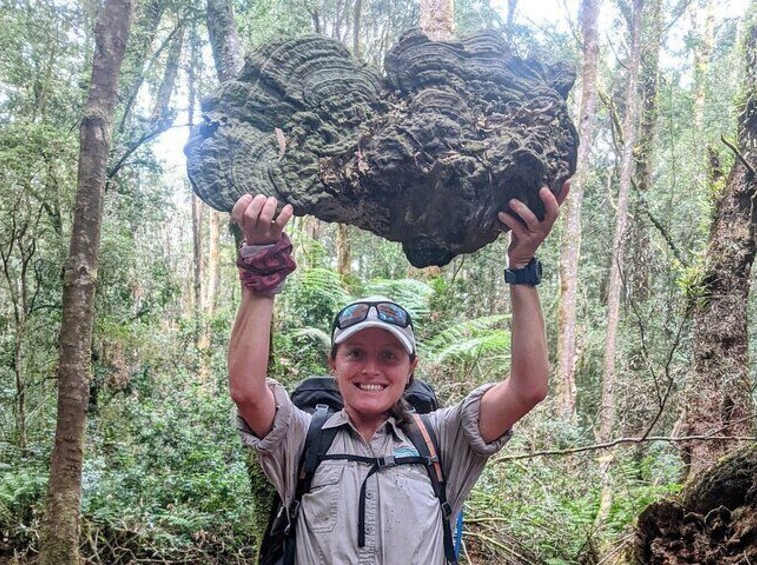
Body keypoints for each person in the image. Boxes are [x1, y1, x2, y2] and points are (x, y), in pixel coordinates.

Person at [228, 185, 568, 564]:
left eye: (389, 355)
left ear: (411, 369)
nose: (371, 369)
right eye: (355, 353)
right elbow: (247, 391)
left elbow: (528, 389)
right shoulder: (301, 440)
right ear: (333, 364)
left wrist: (522, 268)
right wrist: (260, 270)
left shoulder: (443, 438)